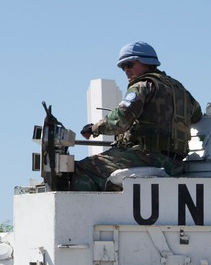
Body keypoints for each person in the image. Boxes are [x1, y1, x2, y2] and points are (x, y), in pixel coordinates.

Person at [75, 41, 202, 191]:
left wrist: (94, 128)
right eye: (123, 67)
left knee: (80, 169)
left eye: (129, 64)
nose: (126, 70)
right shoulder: (181, 91)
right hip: (175, 163)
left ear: (147, 63)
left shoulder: (142, 86)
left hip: (147, 157)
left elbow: (120, 120)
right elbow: (197, 115)